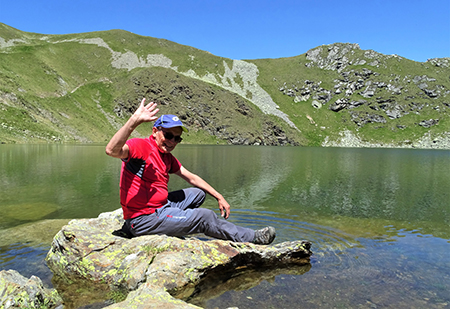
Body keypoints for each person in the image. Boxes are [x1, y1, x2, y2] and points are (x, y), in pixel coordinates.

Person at [105, 98, 276, 245]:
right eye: (168, 135)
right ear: (155, 131)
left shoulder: (166, 156)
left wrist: (218, 196)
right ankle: (252, 238)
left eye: (177, 138)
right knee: (205, 217)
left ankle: (177, 222)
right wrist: (134, 120)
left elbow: (191, 177)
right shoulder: (141, 146)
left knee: (198, 194)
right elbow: (112, 150)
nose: (172, 142)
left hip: (161, 207)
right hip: (143, 219)